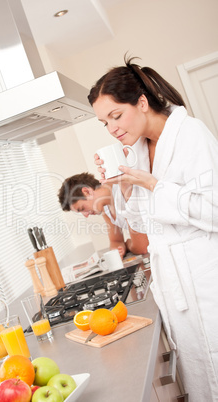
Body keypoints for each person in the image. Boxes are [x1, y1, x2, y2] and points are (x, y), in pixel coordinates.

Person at [88, 56, 218, 401]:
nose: (113, 128)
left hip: (205, 280)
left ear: (142, 102)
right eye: (105, 123)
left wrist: (153, 184)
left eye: (116, 115)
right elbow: (147, 223)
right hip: (176, 285)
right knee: (201, 376)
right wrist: (126, 185)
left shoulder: (191, 134)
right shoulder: (140, 151)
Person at [58, 172, 149, 258]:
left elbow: (142, 248)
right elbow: (116, 241)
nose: (86, 215)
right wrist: (118, 251)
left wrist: (128, 244)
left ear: (87, 191)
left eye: (82, 209)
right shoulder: (105, 209)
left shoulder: (122, 189)